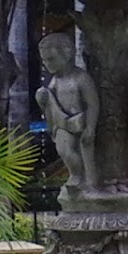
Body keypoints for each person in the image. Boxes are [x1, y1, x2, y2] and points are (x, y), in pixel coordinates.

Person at [35, 33, 99, 189]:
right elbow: (49, 105)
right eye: (44, 61)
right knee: (64, 150)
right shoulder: (54, 81)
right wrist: (42, 99)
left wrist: (90, 127)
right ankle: (76, 174)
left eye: (51, 59)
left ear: (67, 54)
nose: (47, 64)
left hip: (81, 122)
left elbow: (92, 104)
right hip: (63, 124)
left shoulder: (81, 78)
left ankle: (87, 180)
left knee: (87, 157)